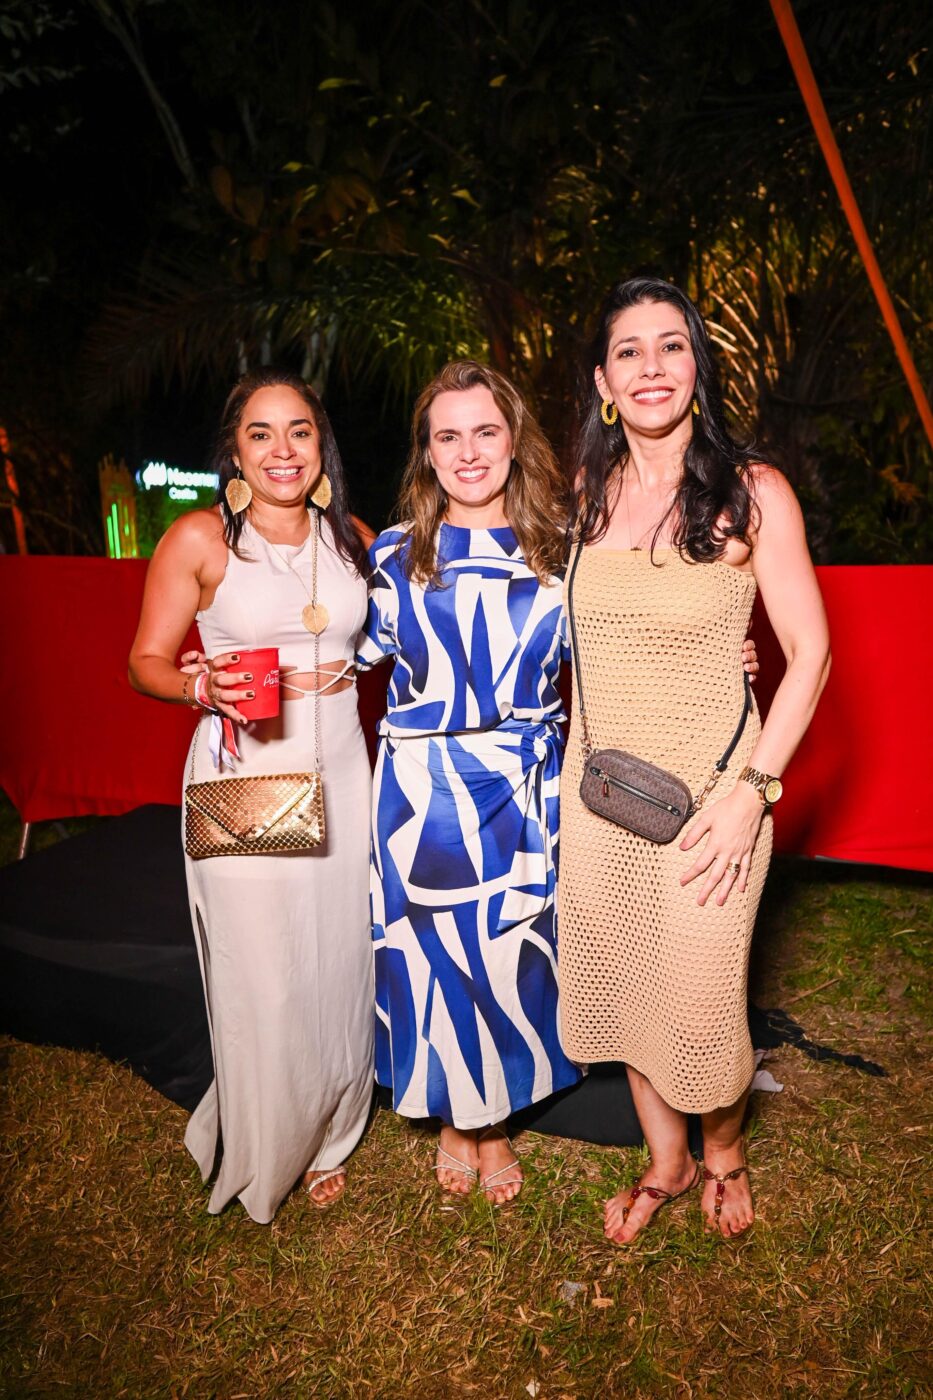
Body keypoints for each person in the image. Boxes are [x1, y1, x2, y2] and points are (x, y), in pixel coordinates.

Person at [558, 277, 831, 1242]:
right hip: (598, 797)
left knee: (704, 993)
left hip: (715, 796)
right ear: (603, 379)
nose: (650, 368)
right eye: (627, 350)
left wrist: (752, 793)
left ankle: (723, 1153)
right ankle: (665, 1163)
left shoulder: (752, 491)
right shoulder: (588, 495)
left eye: (670, 347)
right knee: (626, 979)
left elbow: (811, 652)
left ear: (696, 369)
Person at [128, 368, 375, 1223]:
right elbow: (144, 662)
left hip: (341, 761)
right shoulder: (200, 539)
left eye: (298, 431)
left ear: (321, 444)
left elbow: (400, 639)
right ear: (234, 447)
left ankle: (335, 1128)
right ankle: (270, 1140)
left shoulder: (351, 537)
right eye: (261, 433)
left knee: (337, 957)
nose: (282, 450)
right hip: (245, 768)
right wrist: (199, 690)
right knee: (263, 967)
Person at [356, 361, 584, 1204]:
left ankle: (488, 1116)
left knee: (509, 956)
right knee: (434, 961)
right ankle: (465, 1123)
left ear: (514, 440)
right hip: (423, 793)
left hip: (523, 787)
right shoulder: (390, 556)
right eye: (446, 435)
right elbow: (332, 657)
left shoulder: (563, 550)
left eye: (484, 431)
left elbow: (616, 654)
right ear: (426, 452)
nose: (467, 450)